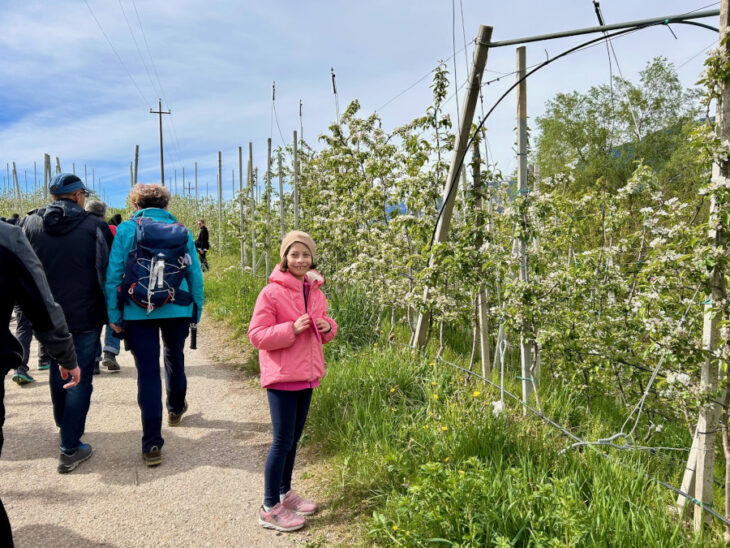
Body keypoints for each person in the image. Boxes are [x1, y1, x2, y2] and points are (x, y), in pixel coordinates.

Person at [106, 183, 204, 467]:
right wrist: (195, 309)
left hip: (138, 310)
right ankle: (175, 407)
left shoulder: (126, 229)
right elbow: (194, 273)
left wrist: (114, 314)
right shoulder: (182, 231)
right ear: (166, 205)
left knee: (147, 373)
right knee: (175, 356)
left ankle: (151, 443)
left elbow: (114, 274)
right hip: (178, 306)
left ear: (136, 205)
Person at [21, 173, 112, 473]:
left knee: (56, 367)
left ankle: (65, 425)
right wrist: (112, 314)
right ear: (77, 196)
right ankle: (70, 446)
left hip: (46, 315)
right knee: (79, 376)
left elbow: (23, 269)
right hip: (85, 315)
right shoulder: (95, 226)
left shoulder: (30, 223)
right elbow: (106, 273)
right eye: (84, 195)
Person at [248, 231, 338, 532]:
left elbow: (324, 334)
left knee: (294, 438)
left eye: (305, 254)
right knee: (282, 441)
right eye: (294, 254)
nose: (300, 260)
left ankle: (284, 492)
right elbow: (257, 335)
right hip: (282, 377)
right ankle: (268, 507)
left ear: (313, 258)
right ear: (285, 258)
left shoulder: (316, 292)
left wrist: (328, 327)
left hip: (307, 375)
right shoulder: (271, 293)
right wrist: (291, 329)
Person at [1, 218, 81, 543]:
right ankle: (69, 441)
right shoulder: (6, 237)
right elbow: (42, 306)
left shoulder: (22, 229)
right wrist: (66, 357)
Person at [86, 201, 122, 373]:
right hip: (109, 280)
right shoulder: (110, 229)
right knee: (112, 315)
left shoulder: (79, 229)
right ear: (104, 214)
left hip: (87, 282)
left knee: (92, 320)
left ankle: (93, 360)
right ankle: (110, 352)